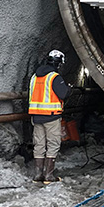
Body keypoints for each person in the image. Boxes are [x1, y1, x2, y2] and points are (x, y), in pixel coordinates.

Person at [28, 50, 71, 183]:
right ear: (59, 63)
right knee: (53, 144)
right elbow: (63, 94)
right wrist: (69, 89)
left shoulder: (35, 77)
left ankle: (38, 175)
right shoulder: (54, 77)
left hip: (36, 116)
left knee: (39, 144)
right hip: (51, 116)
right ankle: (49, 176)